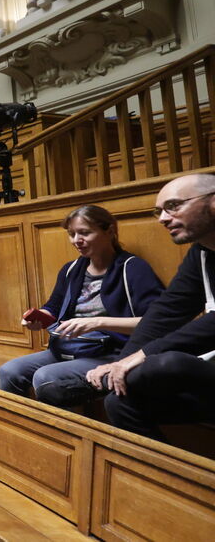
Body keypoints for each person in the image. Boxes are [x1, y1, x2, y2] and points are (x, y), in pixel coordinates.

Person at [86, 174, 215, 441]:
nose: (163, 219)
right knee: (119, 401)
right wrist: (122, 362)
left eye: (174, 206)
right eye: (159, 211)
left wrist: (144, 355)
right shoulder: (200, 251)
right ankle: (173, 480)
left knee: (167, 363)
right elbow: (167, 310)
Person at [0, 205, 163, 407]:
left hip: (111, 352)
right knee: (8, 371)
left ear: (109, 231)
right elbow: (54, 307)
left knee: (46, 376)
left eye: (85, 232)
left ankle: (61, 436)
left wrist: (97, 322)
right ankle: (21, 428)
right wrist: (39, 317)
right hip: (67, 348)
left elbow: (155, 321)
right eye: (72, 234)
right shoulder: (72, 269)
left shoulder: (133, 268)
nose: (77, 240)